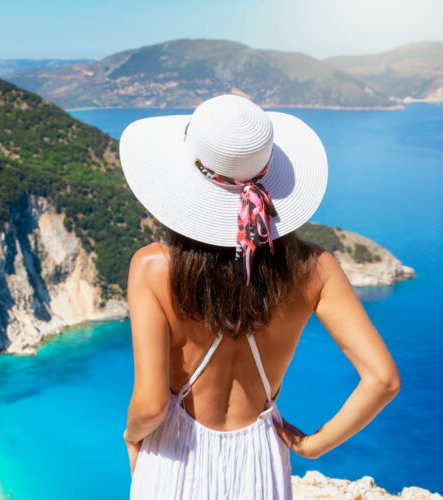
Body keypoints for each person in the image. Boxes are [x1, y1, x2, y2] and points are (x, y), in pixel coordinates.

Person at [117, 94, 401, 499]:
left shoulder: (153, 267)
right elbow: (383, 381)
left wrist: (132, 437)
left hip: (174, 457)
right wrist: (314, 446)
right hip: (261, 460)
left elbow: (150, 407)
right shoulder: (315, 269)